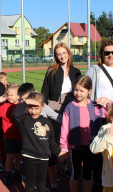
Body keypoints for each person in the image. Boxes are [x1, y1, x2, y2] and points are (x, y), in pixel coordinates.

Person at [85, 39, 113, 192]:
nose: (111, 55)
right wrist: (98, 101)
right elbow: (85, 91)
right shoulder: (94, 69)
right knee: (99, 150)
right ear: (101, 54)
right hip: (99, 115)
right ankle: (97, 183)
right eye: (107, 52)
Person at [58, 76, 109, 192]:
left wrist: (108, 102)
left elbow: (111, 113)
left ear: (89, 91)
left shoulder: (96, 106)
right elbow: (64, 129)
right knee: (75, 173)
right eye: (76, 90)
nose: (78, 93)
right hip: (76, 147)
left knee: (88, 173)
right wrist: (64, 148)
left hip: (91, 147)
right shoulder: (70, 107)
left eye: (82, 90)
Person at [41, 42, 81, 190]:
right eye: (59, 54)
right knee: (54, 137)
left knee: (68, 137)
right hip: (54, 105)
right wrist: (41, 105)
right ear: (55, 56)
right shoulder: (51, 71)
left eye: (64, 53)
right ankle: (53, 168)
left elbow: (81, 89)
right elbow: (44, 90)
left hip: (71, 104)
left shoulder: (76, 71)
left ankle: (64, 167)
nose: (62, 56)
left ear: (68, 54)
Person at [12, 92, 59, 192]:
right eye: (31, 107)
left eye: (37, 108)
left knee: (41, 185)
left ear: (43, 107)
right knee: (30, 185)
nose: (34, 111)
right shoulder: (24, 120)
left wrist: (56, 154)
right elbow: (15, 113)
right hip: (29, 157)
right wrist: (26, 101)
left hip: (43, 158)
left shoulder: (46, 121)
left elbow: (51, 140)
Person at [0, 85, 22, 185]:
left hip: (20, 136)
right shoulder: (4, 106)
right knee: (10, 156)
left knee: (18, 155)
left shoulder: (22, 106)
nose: (10, 97)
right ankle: (8, 174)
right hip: (9, 136)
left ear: (18, 96)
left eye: (12, 95)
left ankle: (17, 171)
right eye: (8, 95)